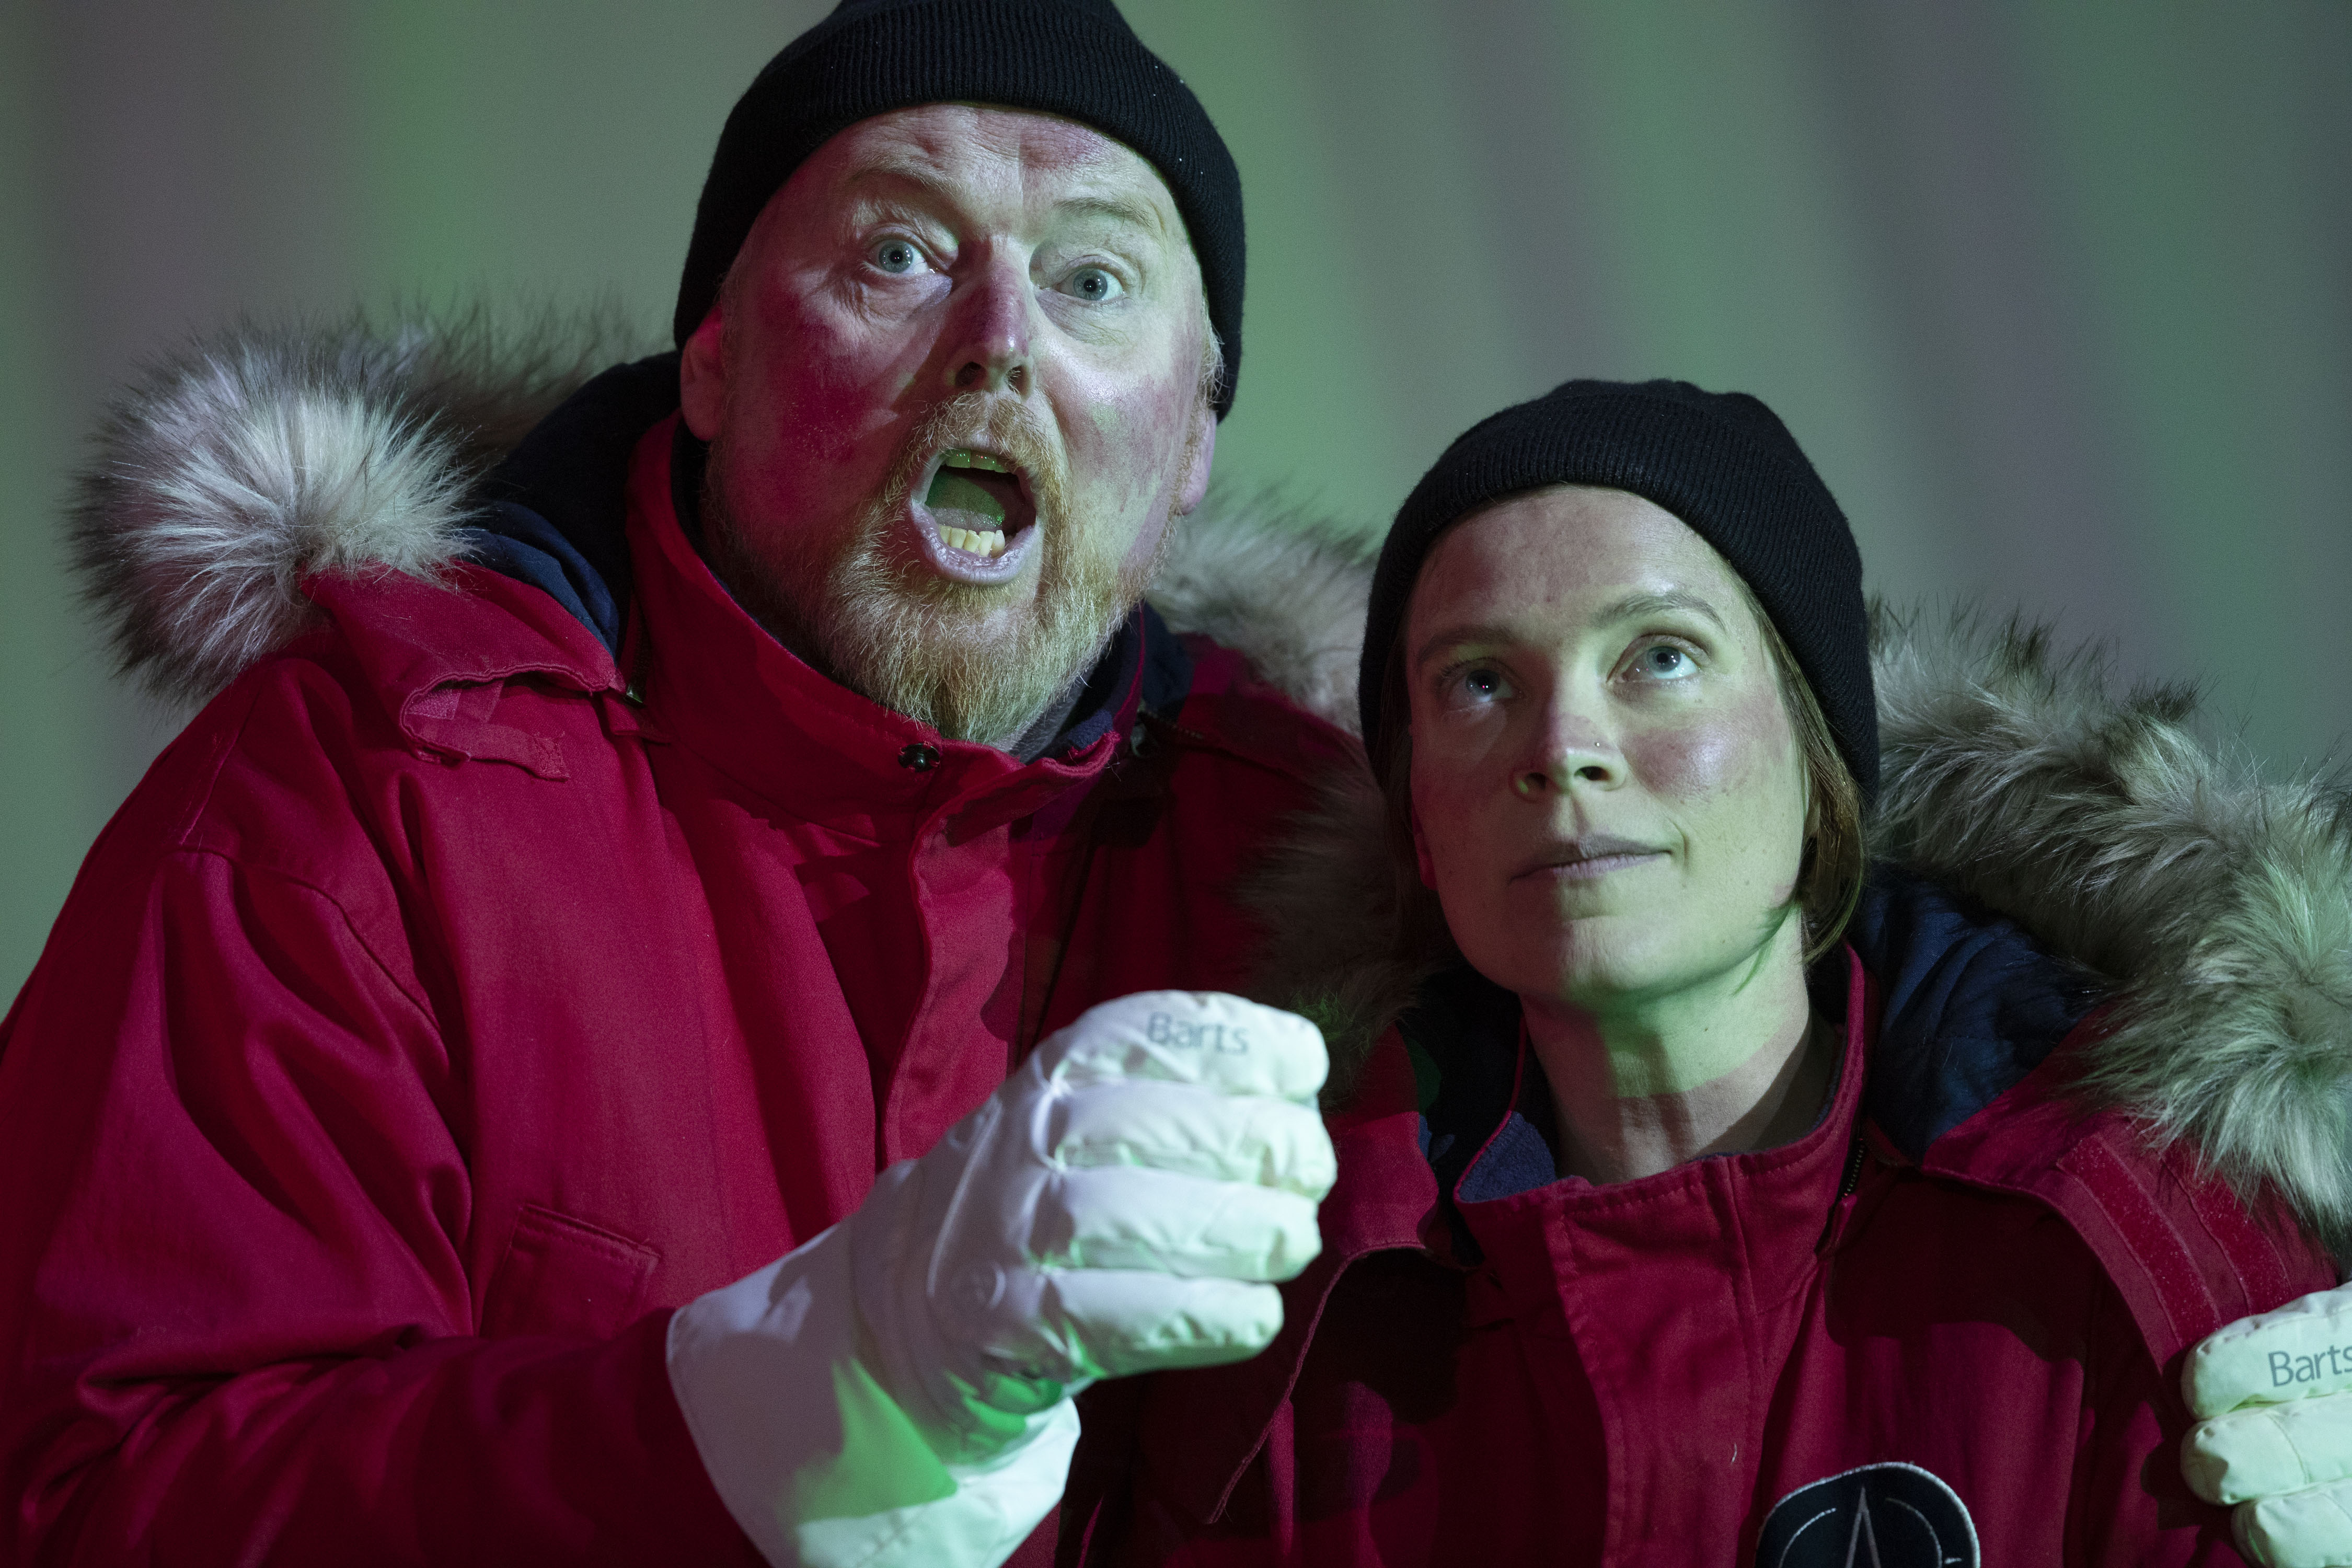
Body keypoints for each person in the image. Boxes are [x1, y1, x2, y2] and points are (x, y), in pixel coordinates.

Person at [5, 3, 2348, 1562]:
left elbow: (1779, 1113)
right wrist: (741, 1416)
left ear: (1192, 437)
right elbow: (79, 1490)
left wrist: (2233, 1220)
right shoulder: (359, 799)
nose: (999, 335)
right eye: (898, 248)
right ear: (705, 362)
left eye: (1098, 282)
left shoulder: (1311, 851)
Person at [1058, 379, 2352, 1565]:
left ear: (1820, 757)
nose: (1564, 747)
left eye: (1660, 658)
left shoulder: (2139, 1235)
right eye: (1478, 683)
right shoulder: (1287, 1318)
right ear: (1419, 829)